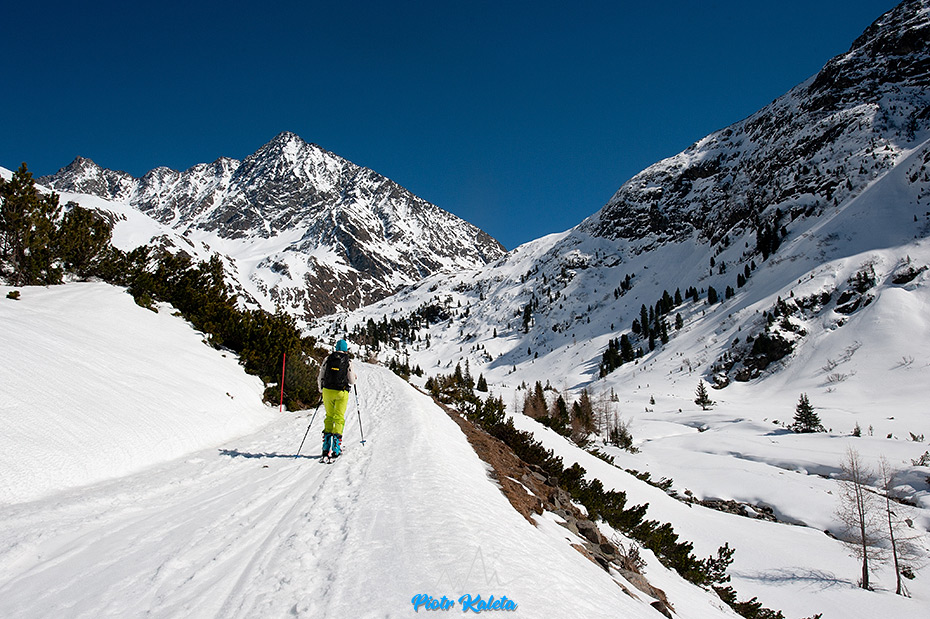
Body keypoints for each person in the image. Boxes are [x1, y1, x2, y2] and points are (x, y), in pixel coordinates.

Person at [317, 339, 357, 458]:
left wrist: (321, 389)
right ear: (345, 349)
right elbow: (351, 380)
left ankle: (325, 447)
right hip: (341, 392)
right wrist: (354, 378)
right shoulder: (348, 361)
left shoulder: (328, 359)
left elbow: (321, 375)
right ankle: (336, 448)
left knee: (329, 417)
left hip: (327, 391)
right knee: (339, 418)